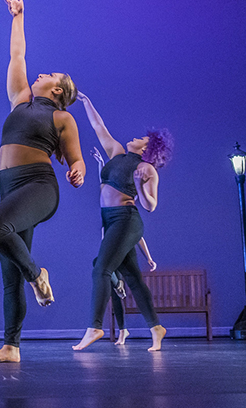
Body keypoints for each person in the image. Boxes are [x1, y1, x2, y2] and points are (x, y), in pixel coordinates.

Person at [0, 0, 86, 364]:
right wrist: (18, 17)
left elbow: (77, 159)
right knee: (9, 273)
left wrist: (78, 169)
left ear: (57, 90)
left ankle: (38, 276)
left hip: (39, 187)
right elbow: (17, 55)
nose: (40, 73)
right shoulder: (20, 100)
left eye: (50, 75)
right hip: (10, 187)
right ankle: (11, 346)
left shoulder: (62, 118)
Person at [73, 91, 173, 352]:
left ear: (147, 148)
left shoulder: (147, 169)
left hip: (127, 221)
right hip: (111, 220)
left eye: (141, 138)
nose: (135, 137)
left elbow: (151, 206)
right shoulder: (117, 154)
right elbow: (99, 127)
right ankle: (156, 327)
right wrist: (86, 102)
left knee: (101, 269)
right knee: (133, 278)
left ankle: (94, 327)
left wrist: (140, 184)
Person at [89, 147, 157, 346]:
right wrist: (101, 164)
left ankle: (112, 325)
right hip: (111, 248)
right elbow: (104, 182)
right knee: (117, 280)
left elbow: (138, 237)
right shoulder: (109, 214)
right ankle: (128, 329)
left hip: (117, 250)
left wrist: (149, 257)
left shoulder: (125, 217)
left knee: (104, 269)